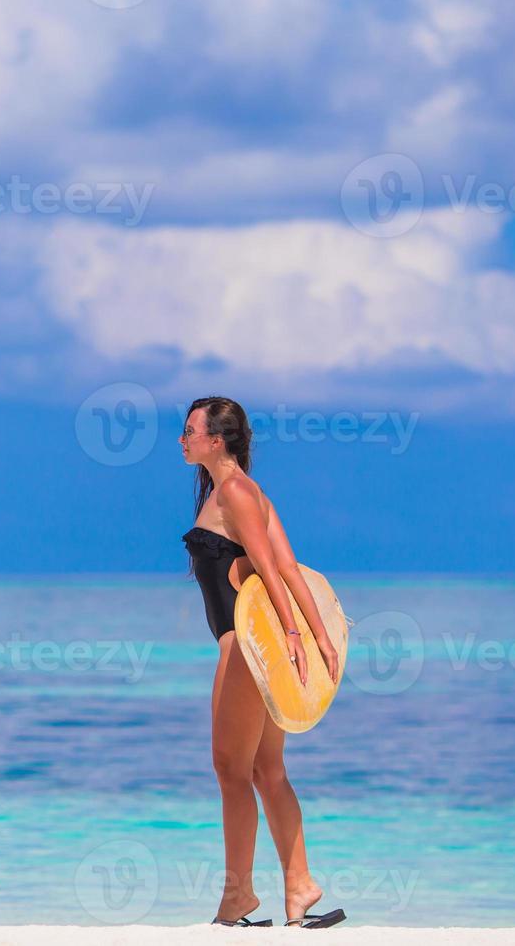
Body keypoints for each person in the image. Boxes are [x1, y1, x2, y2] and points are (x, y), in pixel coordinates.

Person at [179, 396, 345, 929]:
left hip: (243, 649)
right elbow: (292, 568)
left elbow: (275, 573)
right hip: (261, 651)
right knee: (266, 770)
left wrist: (301, 633)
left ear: (216, 440)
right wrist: (319, 639)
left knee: (231, 769)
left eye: (189, 431)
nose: (182, 441)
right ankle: (299, 886)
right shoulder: (248, 492)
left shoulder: (233, 492)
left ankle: (238, 897)